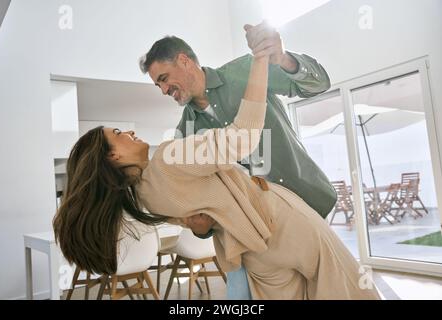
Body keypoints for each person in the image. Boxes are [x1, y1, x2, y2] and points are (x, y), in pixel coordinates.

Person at [53, 46, 380, 300]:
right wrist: (262, 60)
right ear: (113, 155)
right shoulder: (171, 152)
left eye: (164, 79)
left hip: (253, 255)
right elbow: (243, 136)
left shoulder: (145, 198)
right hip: (285, 223)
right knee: (352, 290)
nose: (129, 132)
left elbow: (203, 215)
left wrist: (202, 225)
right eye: (118, 133)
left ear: (184, 60)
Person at [138, 21, 337, 299]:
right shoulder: (184, 133)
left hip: (306, 202)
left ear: (184, 61)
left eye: (163, 78)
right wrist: (202, 229)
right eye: (158, 84)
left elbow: (318, 84)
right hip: (258, 236)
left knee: (328, 291)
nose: (163, 90)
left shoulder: (246, 70)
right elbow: (205, 203)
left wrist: (282, 59)